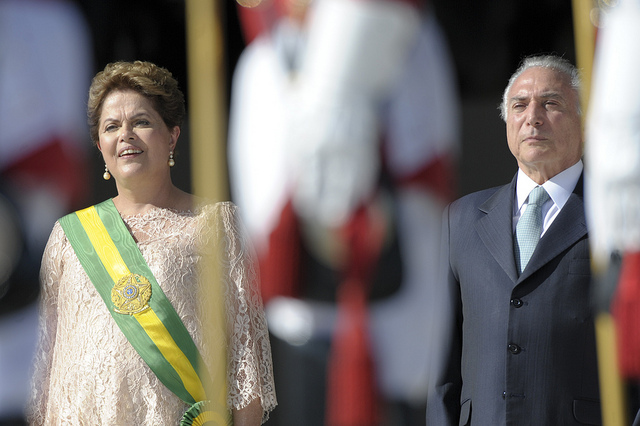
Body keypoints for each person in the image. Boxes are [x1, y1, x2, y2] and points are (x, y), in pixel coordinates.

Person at [27, 61, 277, 425]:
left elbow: (245, 364)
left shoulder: (217, 223)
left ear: (172, 136)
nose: (125, 135)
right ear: (100, 146)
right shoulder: (67, 235)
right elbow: (43, 366)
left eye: (141, 122)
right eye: (111, 127)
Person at [426, 55, 601, 425]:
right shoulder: (460, 220)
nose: (532, 117)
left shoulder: (615, 217)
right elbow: (440, 367)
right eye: (519, 105)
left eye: (551, 103)